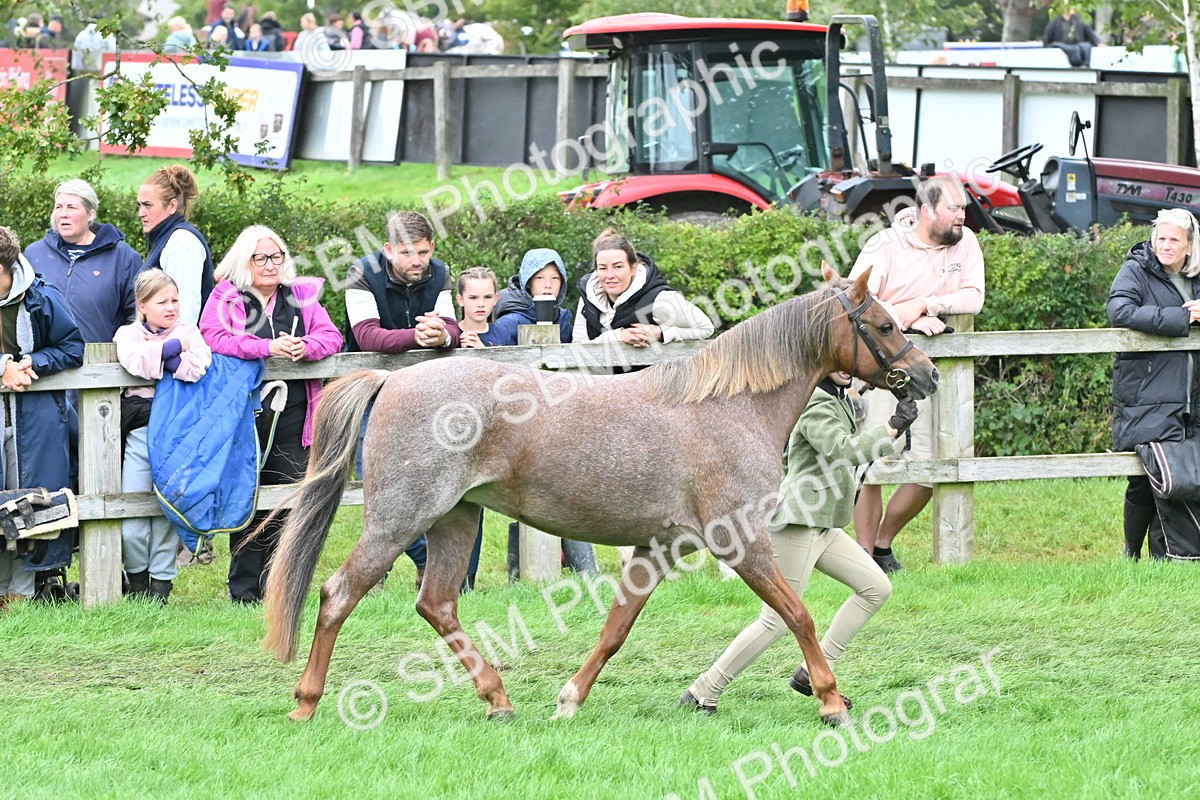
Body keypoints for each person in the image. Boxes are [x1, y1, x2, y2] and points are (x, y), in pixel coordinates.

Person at [680, 371, 916, 714]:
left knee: (876, 587)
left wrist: (897, 414)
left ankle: (813, 671)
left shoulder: (839, 396)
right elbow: (841, 450)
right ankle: (704, 691)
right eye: (838, 363)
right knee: (775, 620)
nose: (846, 369)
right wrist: (892, 426)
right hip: (797, 523)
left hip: (823, 524)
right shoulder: (814, 401)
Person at [199, 225, 343, 603]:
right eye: (260, 257)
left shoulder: (300, 297)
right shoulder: (227, 295)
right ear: (244, 260)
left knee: (286, 500)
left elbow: (332, 336)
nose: (269, 264)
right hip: (242, 418)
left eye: (276, 256)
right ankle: (243, 588)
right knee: (245, 498)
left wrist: (305, 347)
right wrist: (264, 346)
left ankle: (278, 588)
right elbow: (213, 336)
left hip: (294, 417)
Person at [849, 176, 985, 573]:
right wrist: (903, 315)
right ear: (926, 212)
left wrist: (928, 305)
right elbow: (858, 298)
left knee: (931, 468)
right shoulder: (885, 246)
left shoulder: (967, 243)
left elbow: (973, 297)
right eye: (954, 209)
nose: (962, 216)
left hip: (936, 374)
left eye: (963, 209)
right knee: (871, 464)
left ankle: (882, 543)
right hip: (881, 370)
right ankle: (862, 559)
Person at [344, 211, 457, 585]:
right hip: (372, 392)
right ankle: (407, 560)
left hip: (425, 394)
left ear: (432, 247)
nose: (417, 262)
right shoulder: (361, 273)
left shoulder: (439, 273)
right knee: (374, 481)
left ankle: (409, 568)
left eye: (423, 253)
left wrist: (441, 335)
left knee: (432, 482)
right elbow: (367, 337)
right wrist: (417, 337)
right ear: (389, 249)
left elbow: (452, 327)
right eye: (407, 253)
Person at [114, 271, 212, 604]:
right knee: (132, 515)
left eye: (175, 300)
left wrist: (162, 354)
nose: (171, 308)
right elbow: (135, 360)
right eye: (162, 302)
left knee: (168, 511)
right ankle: (137, 581)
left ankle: (160, 587)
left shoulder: (190, 331)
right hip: (140, 435)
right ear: (142, 306)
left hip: (177, 435)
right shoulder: (127, 333)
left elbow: (196, 368)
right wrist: (173, 350)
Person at [1108, 208, 1200, 560]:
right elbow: (1120, 311)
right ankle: (1131, 553)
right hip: (1148, 391)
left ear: (1189, 246)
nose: (1164, 245)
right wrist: (1184, 316)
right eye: (1160, 238)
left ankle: (1167, 557)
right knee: (1144, 477)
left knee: (1183, 473)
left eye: (1173, 239)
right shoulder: (1137, 269)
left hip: (1192, 392)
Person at [0, 227, 85, 606]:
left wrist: (36, 361)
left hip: (34, 420)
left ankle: (20, 591)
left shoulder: (40, 298)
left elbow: (72, 346)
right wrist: (3, 366)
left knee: (30, 499)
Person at [24, 179, 144, 343]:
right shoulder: (34, 254)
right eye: (58, 207)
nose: (63, 214)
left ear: (90, 214)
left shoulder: (123, 257)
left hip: (101, 361)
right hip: (43, 362)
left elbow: (139, 315)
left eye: (72, 207)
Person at [574, 228, 715, 355]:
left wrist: (660, 333)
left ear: (633, 268)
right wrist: (618, 336)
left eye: (618, 267)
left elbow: (706, 328)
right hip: (600, 381)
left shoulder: (661, 300)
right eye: (603, 268)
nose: (610, 275)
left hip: (653, 381)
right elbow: (577, 349)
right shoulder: (589, 297)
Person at [137, 165, 215, 327]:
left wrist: (172, 349)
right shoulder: (165, 238)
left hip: (177, 347)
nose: (141, 213)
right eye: (139, 205)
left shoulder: (181, 242)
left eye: (148, 205)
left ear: (172, 206)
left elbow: (185, 313)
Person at [485, 248, 574, 346]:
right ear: (527, 282)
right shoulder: (508, 324)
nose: (548, 284)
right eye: (540, 278)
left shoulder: (563, 321)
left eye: (555, 278)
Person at [456, 266, 498, 349]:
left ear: (495, 299)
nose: (481, 304)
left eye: (487, 297)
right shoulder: (451, 337)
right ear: (460, 300)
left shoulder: (504, 334)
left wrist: (482, 350)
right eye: (473, 298)